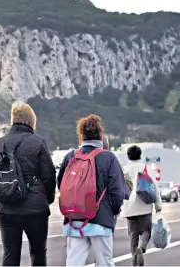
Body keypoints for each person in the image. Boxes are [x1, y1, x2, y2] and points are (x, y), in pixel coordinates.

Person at [0, 102, 56, 266]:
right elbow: (49, 176)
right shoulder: (38, 142)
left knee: (10, 255)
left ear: (13, 120)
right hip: (34, 209)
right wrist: (47, 199)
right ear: (31, 121)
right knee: (38, 254)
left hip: (4, 208)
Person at [58, 114, 126, 267]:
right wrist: (113, 212)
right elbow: (117, 192)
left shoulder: (70, 156)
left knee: (73, 262)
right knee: (105, 262)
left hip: (74, 220)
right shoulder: (109, 158)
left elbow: (61, 184)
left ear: (81, 135)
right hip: (101, 221)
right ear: (101, 135)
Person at [121, 145, 162, 266]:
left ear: (128, 156)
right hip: (144, 204)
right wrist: (157, 204)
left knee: (133, 234)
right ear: (140, 155)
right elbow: (154, 187)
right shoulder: (146, 168)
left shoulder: (124, 170)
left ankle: (134, 261)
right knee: (146, 231)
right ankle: (142, 247)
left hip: (129, 207)